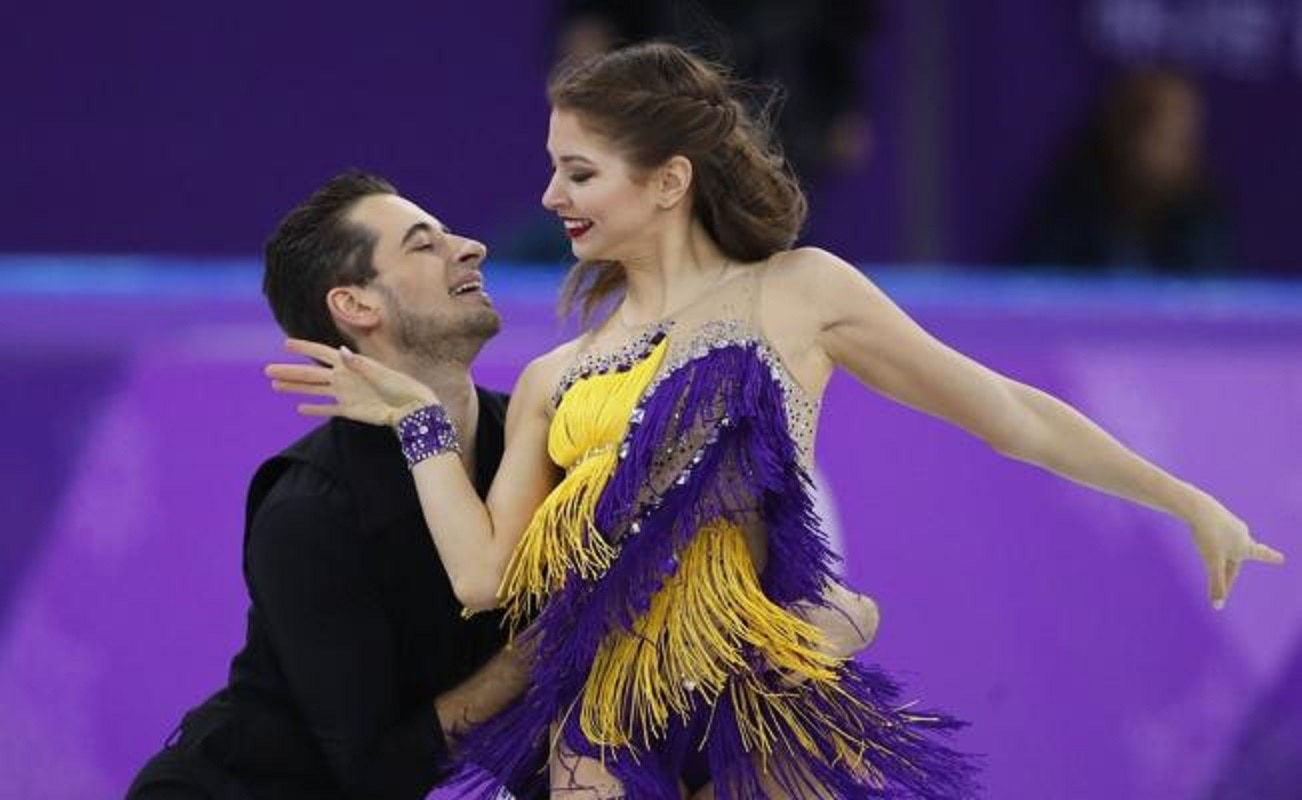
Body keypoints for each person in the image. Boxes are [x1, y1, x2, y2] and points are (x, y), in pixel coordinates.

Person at [268, 44, 1285, 798]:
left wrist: (1185, 499)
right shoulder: (552, 376)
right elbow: (484, 578)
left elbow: (1009, 412)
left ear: (668, 180)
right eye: (554, 167)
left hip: (760, 693)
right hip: (609, 717)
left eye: (579, 171)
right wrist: (417, 420)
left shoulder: (799, 293)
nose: (549, 195)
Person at [126, 172, 538, 800]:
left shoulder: (536, 441)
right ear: (356, 306)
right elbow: (374, 773)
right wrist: (529, 664)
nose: (472, 248)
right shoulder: (309, 511)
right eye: (424, 244)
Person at [1011, 67, 1232, 274]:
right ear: (1126, 134)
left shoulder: (1202, 218)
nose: (1183, 152)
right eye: (1168, 137)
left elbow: (1211, 291)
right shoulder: (1072, 212)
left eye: (1188, 138)